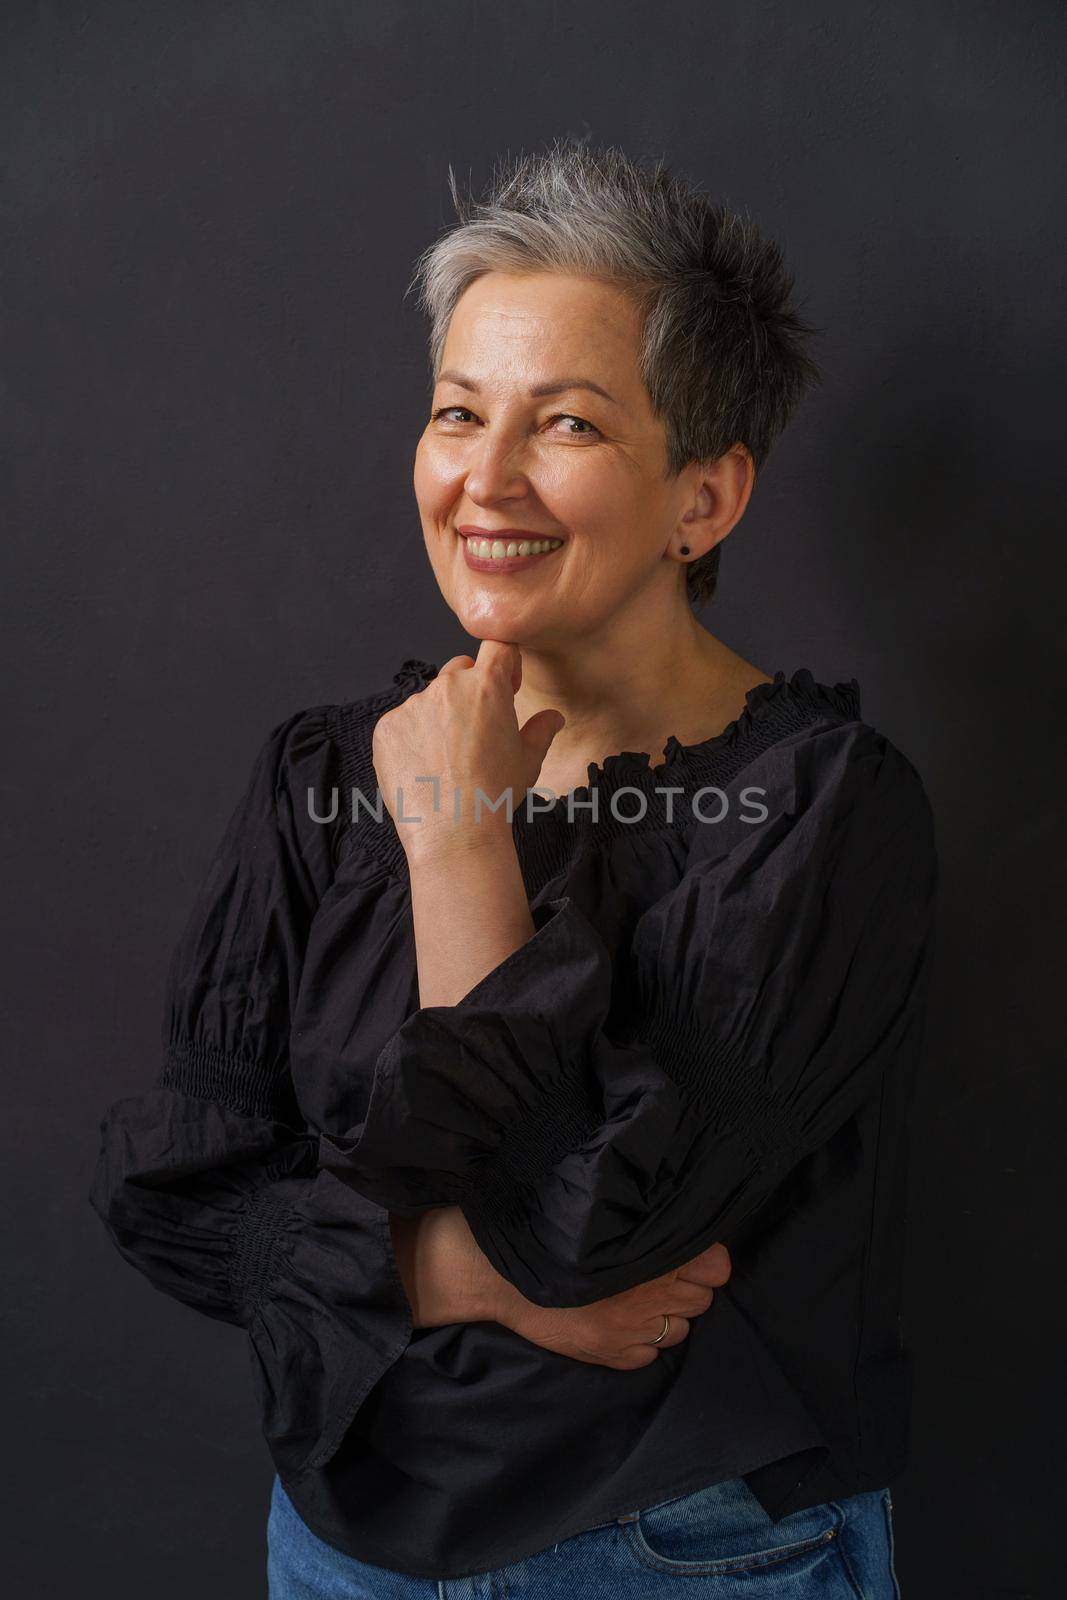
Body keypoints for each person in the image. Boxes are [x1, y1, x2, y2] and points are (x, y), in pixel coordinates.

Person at [90, 139, 935, 1596]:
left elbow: (581, 1233)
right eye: (457, 411)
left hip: (682, 1554)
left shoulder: (821, 815)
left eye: (569, 427)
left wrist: (462, 842)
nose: (484, 477)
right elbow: (172, 1188)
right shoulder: (321, 775)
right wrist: (436, 1273)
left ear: (705, 499)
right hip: (339, 1550)